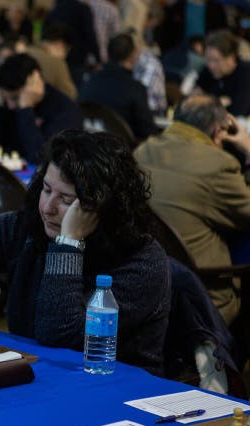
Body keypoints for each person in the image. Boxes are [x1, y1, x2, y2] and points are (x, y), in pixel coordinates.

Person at [0, 129, 171, 375]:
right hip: (36, 376)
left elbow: (58, 333)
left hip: (115, 394)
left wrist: (68, 243)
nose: (48, 207)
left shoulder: (143, 262)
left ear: (101, 208)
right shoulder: (28, 228)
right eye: (46, 189)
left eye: (66, 200)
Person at [135, 95, 250, 326]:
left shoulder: (143, 150)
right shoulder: (218, 164)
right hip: (201, 289)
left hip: (146, 281)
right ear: (219, 131)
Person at [0, 53, 83, 164]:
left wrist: (25, 108)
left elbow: (41, 159)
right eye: (6, 98)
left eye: (15, 98)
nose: (11, 106)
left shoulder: (65, 110)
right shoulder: (4, 101)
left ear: (36, 84)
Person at [79, 33, 157, 140]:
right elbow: (148, 132)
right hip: (123, 151)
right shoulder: (135, 88)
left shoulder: (89, 82)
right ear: (133, 55)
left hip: (88, 147)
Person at [196, 29, 250, 117]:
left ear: (231, 57)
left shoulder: (245, 73)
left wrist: (208, 102)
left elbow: (239, 112)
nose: (211, 65)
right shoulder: (207, 71)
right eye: (208, 59)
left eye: (216, 60)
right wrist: (219, 102)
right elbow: (192, 102)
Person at [25, 21, 77, 100]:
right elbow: (70, 95)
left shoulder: (24, 50)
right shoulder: (56, 63)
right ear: (60, 44)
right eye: (66, 50)